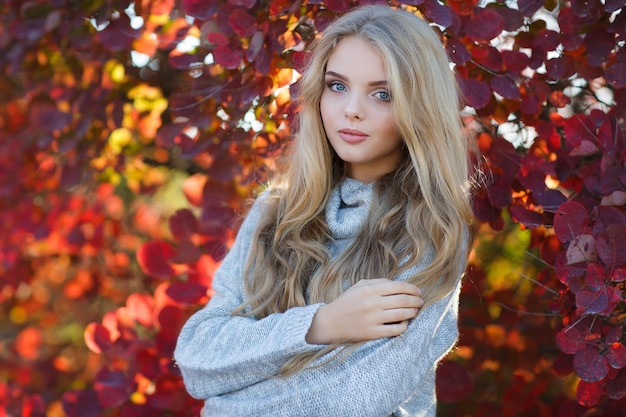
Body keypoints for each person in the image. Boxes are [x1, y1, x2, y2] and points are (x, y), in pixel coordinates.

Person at [174, 4, 478, 417]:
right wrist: (324, 324)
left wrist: (230, 394)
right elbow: (197, 359)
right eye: (337, 86)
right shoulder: (275, 210)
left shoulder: (431, 229)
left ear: (418, 107)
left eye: (382, 94)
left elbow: (357, 398)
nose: (352, 109)